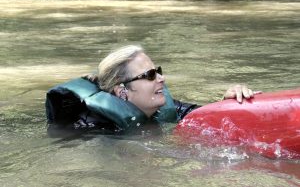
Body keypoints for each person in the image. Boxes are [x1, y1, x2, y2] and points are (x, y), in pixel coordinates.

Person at [46, 45, 255, 136]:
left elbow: (208, 116)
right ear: (121, 92)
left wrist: (227, 100)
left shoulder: (166, 108)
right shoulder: (90, 128)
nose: (162, 79)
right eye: (150, 75)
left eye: (158, 71)